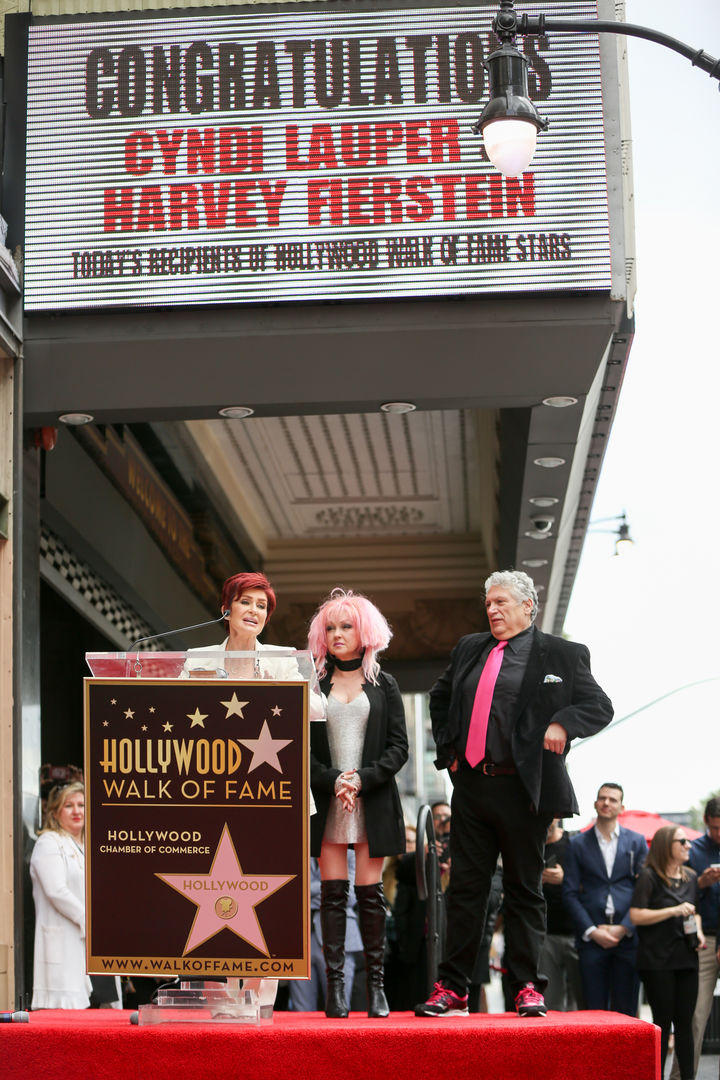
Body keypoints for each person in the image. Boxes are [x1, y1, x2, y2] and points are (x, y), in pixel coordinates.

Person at [415, 569, 613, 1019]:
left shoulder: (562, 654)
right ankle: (452, 988)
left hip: (525, 790)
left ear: (528, 606)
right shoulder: (470, 648)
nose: (493, 610)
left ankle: (526, 985)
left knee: (524, 889)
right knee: (466, 889)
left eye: (502, 602)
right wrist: (449, 753)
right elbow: (440, 697)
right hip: (471, 785)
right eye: (488, 603)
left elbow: (599, 706)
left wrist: (563, 724)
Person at [184, 569, 320, 1008]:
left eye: (262, 606)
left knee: (267, 896)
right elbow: (174, 706)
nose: (255, 612)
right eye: (247, 602)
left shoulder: (282, 658)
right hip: (215, 793)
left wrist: (279, 685)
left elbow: (316, 709)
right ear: (228, 607)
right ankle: (223, 995)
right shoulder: (199, 656)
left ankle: (260, 1000)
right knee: (218, 892)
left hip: (274, 795)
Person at [308, 589, 408, 1018]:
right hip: (329, 801)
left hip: (373, 802)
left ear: (364, 630)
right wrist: (335, 781)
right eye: (330, 627)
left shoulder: (385, 684)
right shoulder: (313, 683)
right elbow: (301, 750)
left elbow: (399, 747)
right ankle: (337, 991)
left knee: (370, 898)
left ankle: (376, 988)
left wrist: (361, 779)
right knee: (333, 897)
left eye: (346, 626)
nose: (337, 634)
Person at [30, 781, 121, 1009]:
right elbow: (57, 891)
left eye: (82, 805)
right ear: (55, 812)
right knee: (71, 1017)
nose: (77, 811)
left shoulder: (91, 846)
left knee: (104, 1015)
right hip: (68, 945)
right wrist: (90, 922)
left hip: (96, 947)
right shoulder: (49, 843)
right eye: (69, 805)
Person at [563, 783, 647, 1015]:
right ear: (595, 803)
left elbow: (645, 892)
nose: (606, 803)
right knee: (594, 1010)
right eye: (602, 798)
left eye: (612, 799)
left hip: (628, 938)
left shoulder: (636, 842)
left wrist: (624, 928)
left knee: (627, 1010)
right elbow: (569, 893)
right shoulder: (577, 843)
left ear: (622, 807)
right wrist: (591, 930)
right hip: (592, 938)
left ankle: (627, 1054)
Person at [630, 826, 704, 1079]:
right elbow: (636, 915)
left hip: (687, 957)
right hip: (657, 959)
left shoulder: (691, 877)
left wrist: (700, 932)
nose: (688, 845)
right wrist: (673, 910)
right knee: (662, 1022)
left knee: (686, 1024)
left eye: (688, 841)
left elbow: (695, 912)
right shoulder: (649, 876)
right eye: (681, 841)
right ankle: (656, 1076)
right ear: (666, 845)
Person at [669, 796, 720, 1080]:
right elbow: (679, 896)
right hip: (702, 940)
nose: (719, 834)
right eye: (715, 828)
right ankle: (681, 1077)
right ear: (706, 822)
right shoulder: (693, 849)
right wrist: (700, 884)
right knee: (694, 1017)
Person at [288, 855, 362, 1013]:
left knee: (338, 1007)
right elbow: (290, 891)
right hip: (300, 939)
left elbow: (350, 897)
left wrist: (309, 890)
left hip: (341, 939)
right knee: (300, 1012)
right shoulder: (297, 852)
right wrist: (330, 888)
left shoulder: (349, 854)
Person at [537, 818, 583, 1011]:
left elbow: (593, 883)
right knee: (551, 1003)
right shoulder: (529, 845)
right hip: (544, 933)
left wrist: (566, 880)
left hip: (577, 931)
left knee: (581, 1002)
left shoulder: (575, 842)